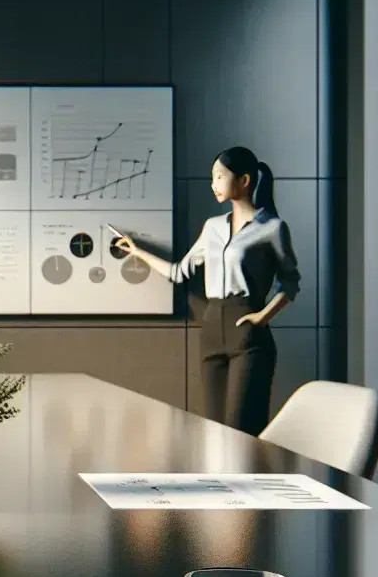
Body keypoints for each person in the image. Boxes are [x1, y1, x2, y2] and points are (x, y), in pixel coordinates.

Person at [112, 146, 299, 435]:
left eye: (220, 177)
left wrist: (262, 317)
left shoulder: (272, 228)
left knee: (242, 433)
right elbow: (179, 272)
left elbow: (290, 283)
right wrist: (138, 252)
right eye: (212, 178)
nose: (214, 185)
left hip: (247, 332)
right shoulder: (212, 227)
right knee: (214, 432)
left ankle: (247, 482)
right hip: (211, 329)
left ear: (244, 180)